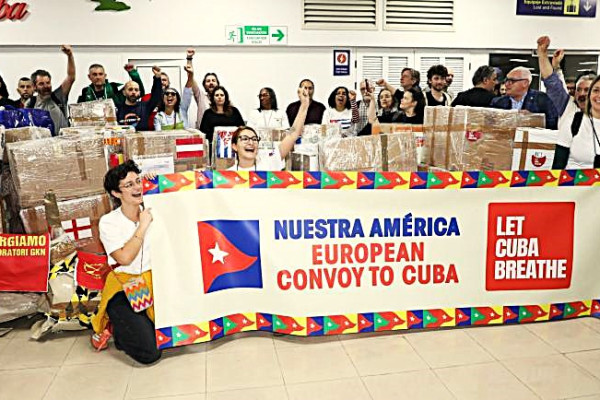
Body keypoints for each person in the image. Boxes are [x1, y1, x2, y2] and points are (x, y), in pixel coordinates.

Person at [90, 160, 161, 365]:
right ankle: (117, 328)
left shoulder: (155, 210)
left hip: (156, 282)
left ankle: (134, 325)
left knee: (172, 337)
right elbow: (124, 258)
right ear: (116, 193)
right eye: (129, 185)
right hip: (124, 286)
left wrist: (159, 182)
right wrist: (142, 226)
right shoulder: (108, 222)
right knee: (150, 353)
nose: (137, 187)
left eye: (138, 181)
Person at [230, 87, 309, 171]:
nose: (251, 142)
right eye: (245, 139)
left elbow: (292, 134)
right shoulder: (228, 174)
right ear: (234, 146)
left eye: (254, 139)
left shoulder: (269, 163)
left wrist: (304, 105)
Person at [537, 36, 596, 131]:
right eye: (578, 90)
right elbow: (551, 82)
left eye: (587, 90)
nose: (581, 94)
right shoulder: (567, 106)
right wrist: (542, 53)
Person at [27, 45, 76, 136]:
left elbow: (71, 77)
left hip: (63, 142)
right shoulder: (30, 103)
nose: (46, 86)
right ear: (34, 86)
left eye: (48, 83)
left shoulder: (59, 96)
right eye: (41, 84)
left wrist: (70, 55)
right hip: (42, 143)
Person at [553, 75, 600, 169]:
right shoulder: (572, 120)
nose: (599, 95)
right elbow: (558, 166)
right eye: (596, 90)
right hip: (575, 177)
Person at [491, 66, 559, 129]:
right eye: (506, 80)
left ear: (525, 83)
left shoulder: (542, 100)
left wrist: (533, 119)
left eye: (511, 81)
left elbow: (553, 124)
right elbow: (490, 124)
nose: (506, 84)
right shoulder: (497, 102)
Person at [182, 48, 221, 129]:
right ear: (204, 85)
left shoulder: (223, 98)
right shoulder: (201, 97)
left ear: (217, 83)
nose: (211, 83)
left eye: (213, 80)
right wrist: (189, 59)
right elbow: (190, 78)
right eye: (208, 81)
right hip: (203, 133)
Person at [116, 66, 163, 131]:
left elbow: (156, 95)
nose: (133, 92)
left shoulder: (145, 107)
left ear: (139, 93)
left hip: (142, 137)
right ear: (124, 92)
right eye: (130, 89)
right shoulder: (118, 108)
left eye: (136, 90)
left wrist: (157, 78)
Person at [77, 63, 144, 104]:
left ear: (105, 76)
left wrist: (133, 73)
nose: (98, 77)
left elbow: (138, 92)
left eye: (100, 74)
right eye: (94, 74)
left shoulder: (114, 88)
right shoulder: (85, 92)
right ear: (89, 77)